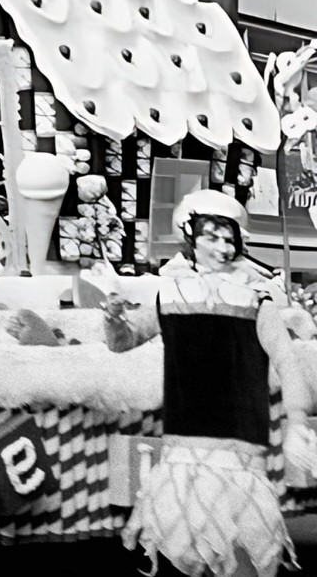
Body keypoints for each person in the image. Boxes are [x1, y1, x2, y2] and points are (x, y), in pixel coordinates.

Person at [102, 190, 317, 577]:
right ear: (190, 238)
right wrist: (114, 319)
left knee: (244, 556)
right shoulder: (169, 297)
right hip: (183, 451)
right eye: (210, 236)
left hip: (239, 454)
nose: (221, 246)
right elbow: (123, 342)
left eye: (227, 237)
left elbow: (288, 361)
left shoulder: (257, 303)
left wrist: (298, 422)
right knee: (188, 554)